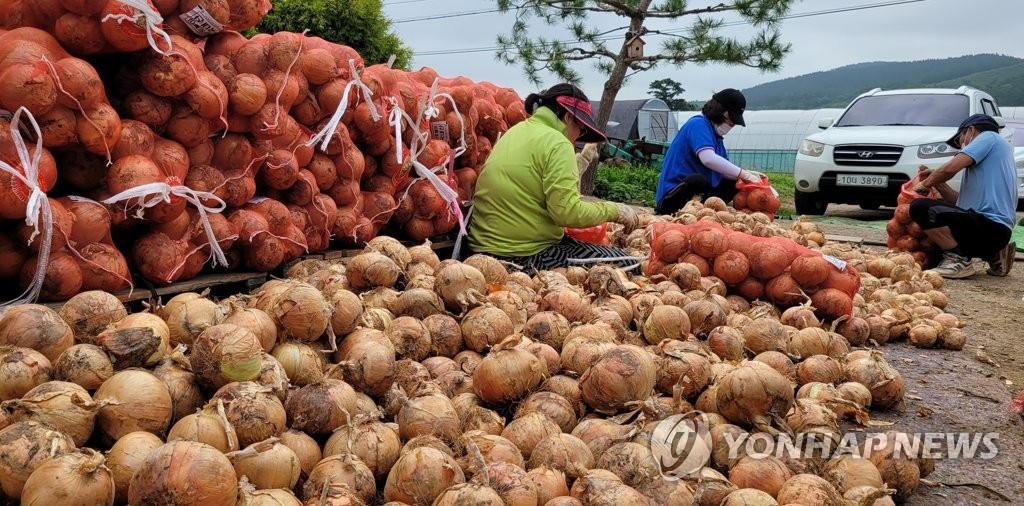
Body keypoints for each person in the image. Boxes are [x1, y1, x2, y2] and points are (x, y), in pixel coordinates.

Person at [466, 83, 640, 271]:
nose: (578, 137)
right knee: (630, 263)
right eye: (580, 130)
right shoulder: (558, 143)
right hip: (519, 257)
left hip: (479, 252)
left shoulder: (514, 132)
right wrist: (614, 210)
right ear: (567, 117)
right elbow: (567, 213)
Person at [910, 113, 1017, 279]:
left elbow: (949, 169)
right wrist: (938, 182)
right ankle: (995, 254)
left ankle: (959, 260)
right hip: (993, 233)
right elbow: (958, 202)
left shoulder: (989, 137)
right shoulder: (995, 156)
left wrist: (925, 184)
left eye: (960, 141)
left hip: (990, 228)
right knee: (933, 256)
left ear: (971, 131)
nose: (962, 148)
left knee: (920, 208)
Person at [655, 88, 765, 214]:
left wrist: (746, 175)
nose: (732, 124)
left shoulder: (716, 136)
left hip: (698, 199)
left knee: (734, 182)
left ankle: (707, 213)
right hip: (673, 197)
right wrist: (743, 174)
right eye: (732, 119)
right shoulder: (698, 124)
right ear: (721, 111)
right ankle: (676, 212)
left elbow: (724, 170)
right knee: (697, 181)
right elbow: (708, 158)